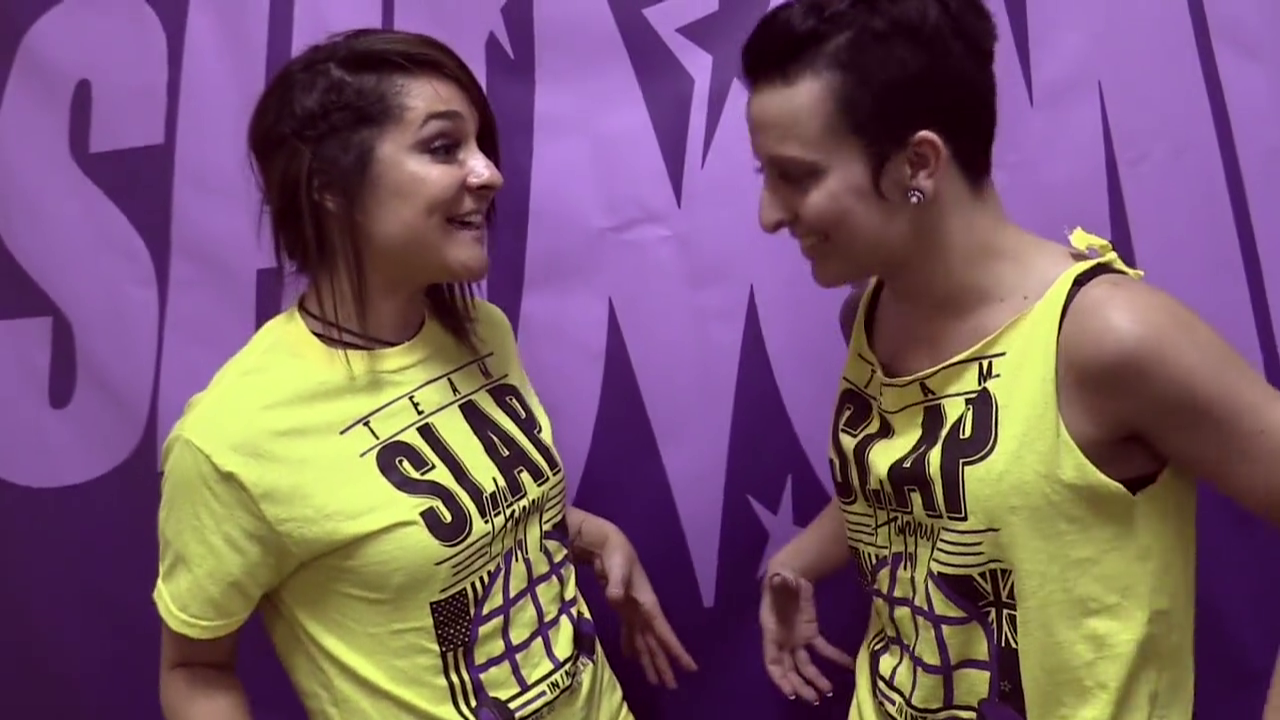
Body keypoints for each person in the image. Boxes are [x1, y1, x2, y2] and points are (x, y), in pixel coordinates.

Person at [740, 0, 1280, 718]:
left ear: (916, 164)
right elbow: (935, 485)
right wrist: (799, 558)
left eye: (797, 177)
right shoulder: (870, 314)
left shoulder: (1105, 339)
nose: (769, 214)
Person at [153, 29, 695, 720]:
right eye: (443, 148)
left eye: (479, 146)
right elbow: (195, 668)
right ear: (330, 187)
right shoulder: (231, 441)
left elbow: (488, 519)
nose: (489, 174)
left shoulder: (482, 331)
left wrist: (599, 537)